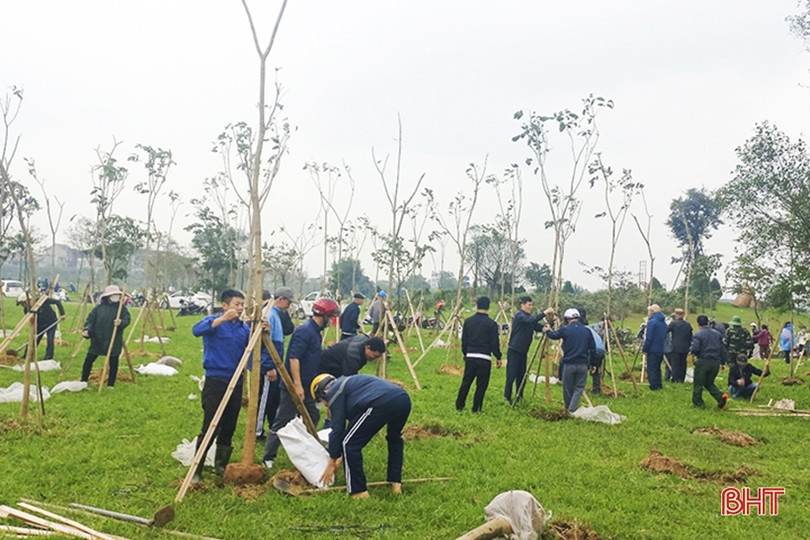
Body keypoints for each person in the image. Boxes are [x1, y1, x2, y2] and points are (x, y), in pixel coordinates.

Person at [263, 297, 341, 468]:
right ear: (325, 316)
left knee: (313, 415)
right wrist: (297, 385)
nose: (330, 321)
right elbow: (294, 359)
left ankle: (304, 448)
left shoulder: (315, 332)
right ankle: (268, 457)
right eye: (330, 317)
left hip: (307, 385)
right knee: (283, 419)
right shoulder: (305, 331)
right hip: (294, 386)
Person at [314, 373, 411, 498]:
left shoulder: (334, 392)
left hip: (379, 403)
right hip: (403, 399)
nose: (326, 406)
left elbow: (337, 430)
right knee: (394, 439)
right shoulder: (348, 385)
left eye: (323, 402)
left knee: (349, 444)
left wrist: (332, 463)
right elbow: (352, 429)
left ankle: (359, 491)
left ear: (322, 393)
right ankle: (396, 484)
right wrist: (339, 458)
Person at [190, 289, 253, 482]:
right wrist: (222, 319)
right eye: (236, 304)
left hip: (236, 381)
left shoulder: (244, 329)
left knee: (229, 425)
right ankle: (197, 469)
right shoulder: (214, 322)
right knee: (211, 425)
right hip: (215, 380)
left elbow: (251, 353)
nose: (240, 308)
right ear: (225, 305)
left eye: (242, 305)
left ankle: (220, 466)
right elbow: (195, 330)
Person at [256, 287, 295, 441]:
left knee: (273, 399)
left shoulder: (277, 314)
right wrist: (269, 367)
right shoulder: (269, 314)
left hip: (275, 360)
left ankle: (273, 426)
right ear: (281, 299)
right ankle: (257, 431)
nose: (289, 305)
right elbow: (264, 343)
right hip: (269, 365)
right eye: (289, 302)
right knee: (264, 398)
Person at [542, 308, 596, 413]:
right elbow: (592, 349)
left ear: (567, 319)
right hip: (582, 364)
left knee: (567, 388)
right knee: (579, 388)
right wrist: (593, 364)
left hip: (569, 364)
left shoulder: (565, 329)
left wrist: (548, 330)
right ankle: (572, 408)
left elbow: (554, 336)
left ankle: (569, 409)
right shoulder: (587, 331)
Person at [455, 296, 502, 413]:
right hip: (485, 358)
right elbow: (494, 343)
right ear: (488, 307)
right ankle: (476, 408)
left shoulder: (468, 321)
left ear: (477, 306)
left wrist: (465, 353)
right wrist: (498, 356)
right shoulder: (492, 324)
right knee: (481, 385)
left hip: (471, 356)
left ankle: (459, 406)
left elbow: (464, 340)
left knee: (466, 382)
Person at [504, 296, 554, 403]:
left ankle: (519, 396)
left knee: (522, 375)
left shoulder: (528, 317)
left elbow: (535, 325)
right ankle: (507, 397)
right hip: (514, 350)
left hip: (523, 351)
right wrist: (545, 312)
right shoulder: (519, 316)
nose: (531, 307)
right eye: (529, 305)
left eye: (532, 305)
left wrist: (544, 328)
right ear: (522, 304)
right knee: (511, 375)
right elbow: (530, 321)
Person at [80, 285, 131, 387]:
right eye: (114, 295)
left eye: (117, 295)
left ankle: (110, 384)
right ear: (108, 296)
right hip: (98, 339)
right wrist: (87, 330)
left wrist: (120, 322)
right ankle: (84, 380)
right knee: (89, 359)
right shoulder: (98, 308)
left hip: (114, 338)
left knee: (113, 362)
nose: (116, 297)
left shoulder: (121, 308)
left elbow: (127, 319)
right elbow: (90, 320)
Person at [689, 314, 729, 409]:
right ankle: (720, 397)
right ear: (708, 322)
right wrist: (723, 363)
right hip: (715, 362)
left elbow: (695, 348)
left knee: (698, 384)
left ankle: (698, 404)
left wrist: (691, 350)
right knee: (708, 382)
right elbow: (722, 350)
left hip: (703, 362)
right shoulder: (717, 334)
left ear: (698, 324)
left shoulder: (698, 334)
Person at [16, 292, 66, 360]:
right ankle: (27, 355)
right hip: (39, 324)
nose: (22, 305)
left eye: (22, 303)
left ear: (27, 300)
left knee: (50, 339)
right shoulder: (27, 309)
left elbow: (57, 302)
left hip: (51, 322)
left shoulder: (41, 300)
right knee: (33, 339)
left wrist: (62, 314)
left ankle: (48, 357)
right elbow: (30, 319)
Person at [319, 335, 386, 377]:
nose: (376, 359)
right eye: (375, 356)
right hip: (323, 365)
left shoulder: (364, 340)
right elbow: (349, 380)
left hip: (336, 364)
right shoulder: (353, 355)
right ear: (368, 347)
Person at [642, 304, 667, 390]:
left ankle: (653, 385)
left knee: (651, 368)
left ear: (652, 312)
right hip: (661, 348)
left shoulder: (652, 322)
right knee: (657, 368)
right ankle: (658, 384)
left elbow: (649, 337)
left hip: (652, 348)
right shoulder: (663, 322)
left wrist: (645, 348)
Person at [667, 308, 692, 383]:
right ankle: (682, 378)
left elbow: (666, 330)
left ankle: (675, 379)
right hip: (685, 347)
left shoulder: (673, 324)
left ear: (676, 315)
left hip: (675, 347)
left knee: (675, 364)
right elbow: (690, 336)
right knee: (683, 363)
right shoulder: (688, 325)